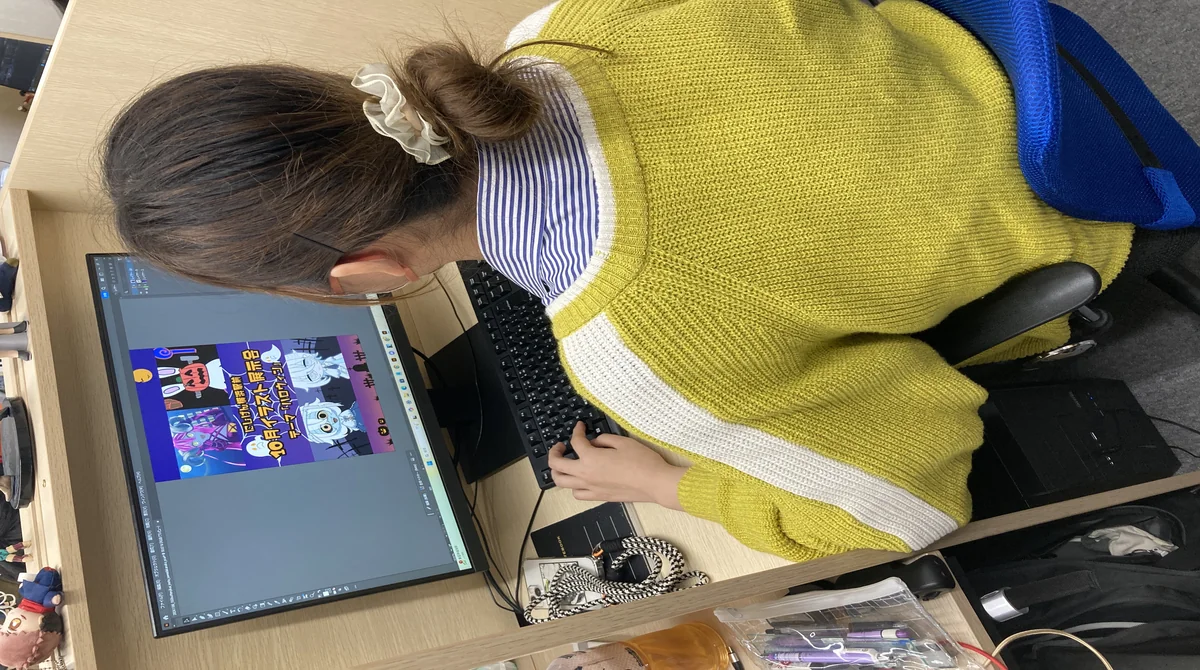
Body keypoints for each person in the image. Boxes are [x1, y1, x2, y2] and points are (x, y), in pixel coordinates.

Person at [101, 0, 1198, 561]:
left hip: (1084, 199)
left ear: (372, 271)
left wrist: (673, 485)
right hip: (1002, 44)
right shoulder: (568, 29)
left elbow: (903, 507)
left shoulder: (641, 350)